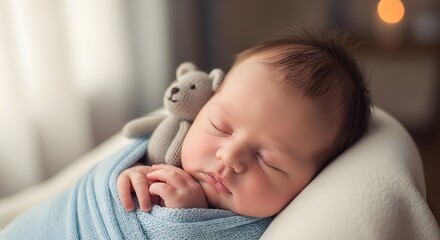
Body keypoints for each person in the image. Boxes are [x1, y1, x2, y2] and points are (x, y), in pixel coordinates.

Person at [117, 28, 371, 218]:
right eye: (219, 126)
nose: (229, 156)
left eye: (269, 161)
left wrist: (190, 220)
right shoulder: (163, 148)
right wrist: (136, 174)